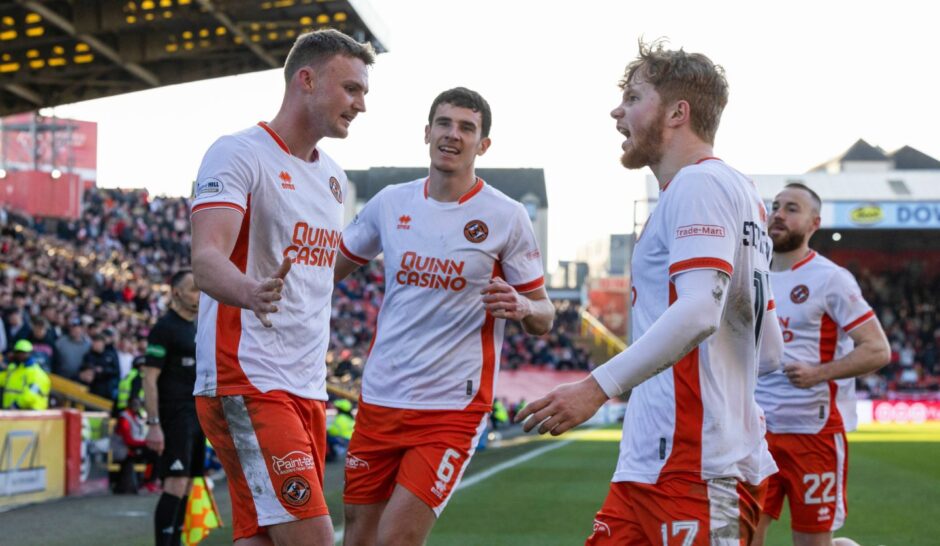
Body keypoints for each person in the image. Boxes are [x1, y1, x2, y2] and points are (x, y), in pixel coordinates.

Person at [516, 41, 784, 545]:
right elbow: (769, 350)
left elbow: (701, 309)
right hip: (651, 465)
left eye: (634, 97)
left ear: (677, 113)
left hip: (695, 468)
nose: (617, 111)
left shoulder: (697, 185)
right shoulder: (740, 193)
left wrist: (596, 386)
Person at [335, 86, 554, 546]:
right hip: (380, 397)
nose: (452, 135)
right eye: (444, 123)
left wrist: (523, 306)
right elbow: (328, 269)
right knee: (358, 536)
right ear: (427, 132)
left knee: (396, 539)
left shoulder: (506, 215)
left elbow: (545, 314)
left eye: (467, 127)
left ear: (483, 145)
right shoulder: (391, 203)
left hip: (451, 407)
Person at [189, 29, 374, 546]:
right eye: (351, 89)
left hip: (305, 386)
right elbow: (205, 260)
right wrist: (248, 291)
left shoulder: (334, 178)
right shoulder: (237, 153)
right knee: (313, 538)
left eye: (364, 92)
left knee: (263, 538)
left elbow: (318, 270)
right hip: (247, 376)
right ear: (306, 80)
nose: (360, 105)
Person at [753, 183, 890, 546]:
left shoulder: (830, 279)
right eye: (776, 205)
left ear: (815, 223)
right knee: (741, 537)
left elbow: (877, 350)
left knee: (813, 542)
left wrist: (818, 373)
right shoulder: (752, 276)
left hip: (812, 435)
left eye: (792, 208)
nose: (779, 213)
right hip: (755, 433)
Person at [142, 270, 202, 546]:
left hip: (197, 415)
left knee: (189, 482)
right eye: (194, 289)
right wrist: (153, 423)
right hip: (174, 414)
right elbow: (149, 378)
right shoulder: (165, 328)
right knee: (175, 482)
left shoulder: (197, 327)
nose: (200, 295)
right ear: (176, 293)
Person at [0, 339, 51, 410]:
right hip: (11, 412)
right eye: (18, 353)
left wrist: (17, 405)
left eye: (23, 353)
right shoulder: (13, 369)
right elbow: (2, 379)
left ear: (30, 354)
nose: (20, 355)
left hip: (30, 413)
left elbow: (32, 392)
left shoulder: (36, 373)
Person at [79, 333, 120, 400]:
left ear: (103, 344)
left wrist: (103, 370)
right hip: (91, 387)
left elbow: (116, 371)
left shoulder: (110, 355)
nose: (96, 345)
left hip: (106, 388)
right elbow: (83, 369)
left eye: (98, 343)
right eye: (95, 343)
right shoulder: (89, 355)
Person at [326, 398, 356, 463]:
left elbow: (333, 431)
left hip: (343, 440)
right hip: (349, 440)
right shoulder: (350, 418)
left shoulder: (340, 418)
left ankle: (329, 456)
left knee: (326, 436)